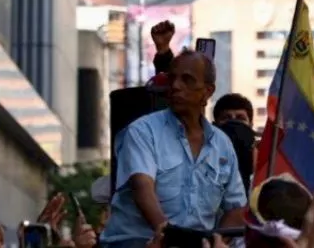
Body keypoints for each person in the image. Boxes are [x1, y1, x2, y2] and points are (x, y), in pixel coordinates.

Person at [101, 50, 247, 247]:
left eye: (187, 80)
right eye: (173, 78)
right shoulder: (143, 131)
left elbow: (236, 208)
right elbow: (142, 186)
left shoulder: (223, 144)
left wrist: (215, 241)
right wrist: (171, 238)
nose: (176, 86)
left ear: (208, 91)